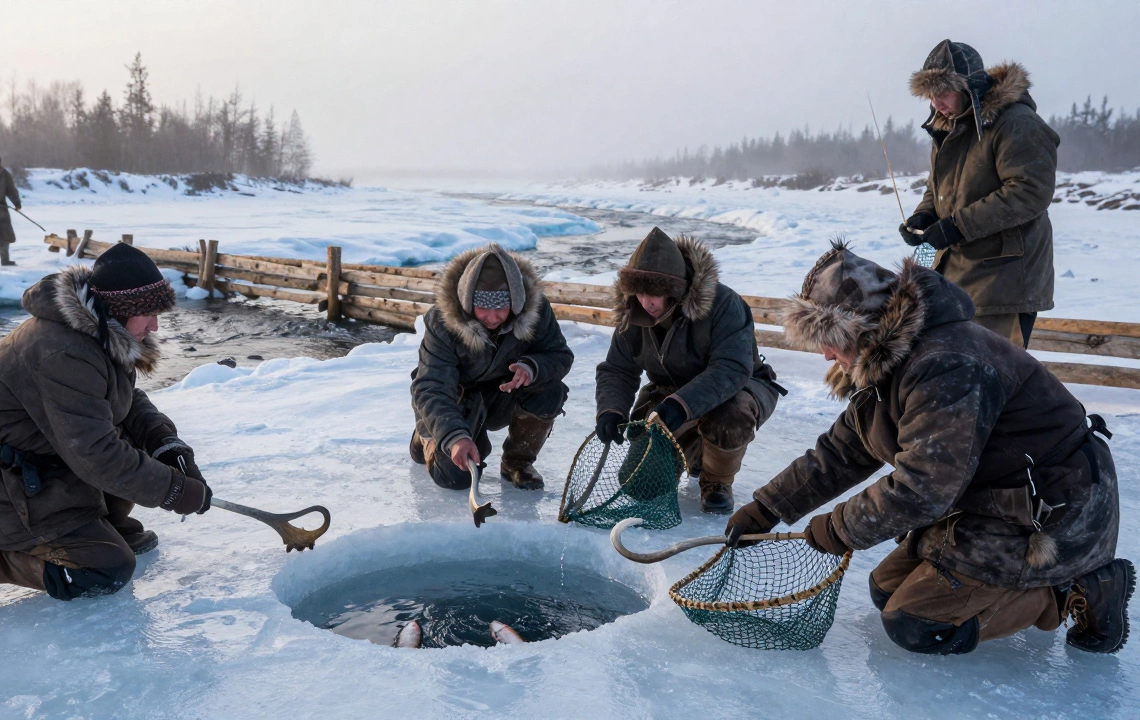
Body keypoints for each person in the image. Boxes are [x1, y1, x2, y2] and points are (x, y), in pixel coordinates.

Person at [727, 241, 1130, 655]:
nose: (827, 354)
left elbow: (923, 488)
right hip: (985, 502)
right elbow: (843, 451)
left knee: (916, 624)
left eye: (832, 339)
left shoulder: (946, 363)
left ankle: (1075, 588)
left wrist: (837, 528)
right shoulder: (885, 365)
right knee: (885, 590)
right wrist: (768, 508)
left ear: (866, 328)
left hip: (1053, 509)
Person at [0, 243, 210, 601]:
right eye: (147, 313)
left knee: (127, 434)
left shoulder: (102, 330)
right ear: (117, 308)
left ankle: (104, 523)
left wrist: (165, 444)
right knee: (106, 568)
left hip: (37, 461)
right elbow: (96, 454)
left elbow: (123, 401)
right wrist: (174, 490)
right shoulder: (63, 352)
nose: (154, 325)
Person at [595, 227, 784, 513]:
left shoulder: (724, 304)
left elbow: (732, 368)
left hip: (738, 388)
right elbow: (617, 369)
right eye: (640, 292)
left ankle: (716, 481)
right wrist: (611, 409)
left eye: (656, 293)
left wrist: (682, 405)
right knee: (639, 486)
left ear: (676, 289)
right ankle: (695, 453)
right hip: (669, 394)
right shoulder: (633, 312)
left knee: (729, 416)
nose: (647, 302)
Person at [899, 40, 1059, 349]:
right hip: (958, 275)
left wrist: (957, 226)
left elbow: (1029, 192)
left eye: (942, 93)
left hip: (1004, 282)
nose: (935, 104)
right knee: (958, 376)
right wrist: (926, 215)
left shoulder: (1017, 124)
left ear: (969, 86)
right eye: (930, 96)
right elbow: (938, 186)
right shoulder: (951, 125)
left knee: (998, 378)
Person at [410, 242, 573, 490]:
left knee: (551, 389)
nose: (493, 317)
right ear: (466, 301)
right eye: (483, 308)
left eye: (501, 308)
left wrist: (532, 367)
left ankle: (517, 463)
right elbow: (432, 386)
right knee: (455, 477)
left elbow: (559, 355)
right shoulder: (440, 320)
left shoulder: (537, 310)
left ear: (517, 302)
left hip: (503, 393)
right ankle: (426, 438)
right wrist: (454, 437)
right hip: (457, 399)